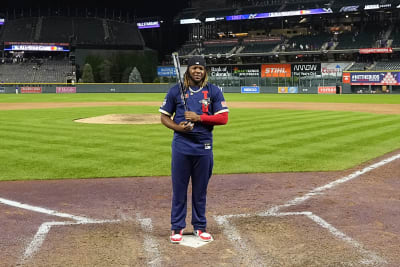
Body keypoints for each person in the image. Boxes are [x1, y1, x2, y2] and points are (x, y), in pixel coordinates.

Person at [159, 55, 229, 243]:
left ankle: (200, 226)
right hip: (181, 146)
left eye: (201, 68)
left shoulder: (213, 91)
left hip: (203, 146)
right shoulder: (176, 91)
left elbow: (223, 118)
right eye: (194, 68)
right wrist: (178, 127)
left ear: (205, 71)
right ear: (188, 70)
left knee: (200, 190)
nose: (197, 71)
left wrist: (200, 118)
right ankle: (177, 227)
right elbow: (164, 117)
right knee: (179, 189)